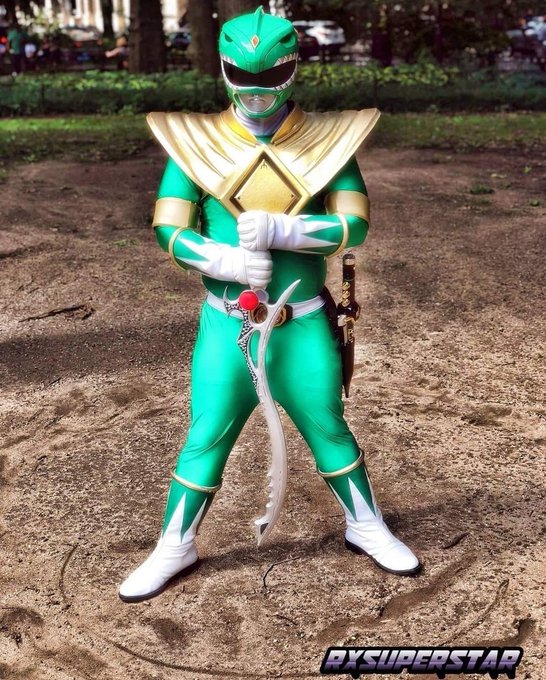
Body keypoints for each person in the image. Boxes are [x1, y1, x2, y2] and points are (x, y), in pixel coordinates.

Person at [119, 8, 420, 603]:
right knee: (207, 433)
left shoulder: (331, 144)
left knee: (327, 426)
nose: (256, 94)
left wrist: (290, 231)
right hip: (226, 323)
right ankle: (175, 543)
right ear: (224, 71)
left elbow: (354, 224)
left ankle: (365, 524)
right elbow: (168, 227)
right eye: (243, 78)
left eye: (270, 78)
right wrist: (221, 259)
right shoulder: (194, 146)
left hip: (300, 321)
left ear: (292, 70)